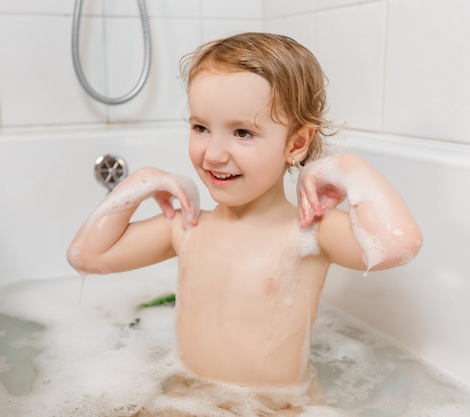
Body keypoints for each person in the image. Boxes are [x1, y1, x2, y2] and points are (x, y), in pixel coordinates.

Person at [67, 32, 423, 415]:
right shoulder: (187, 227)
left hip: (276, 407)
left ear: (296, 144)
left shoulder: (310, 231)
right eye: (200, 127)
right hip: (183, 398)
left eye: (242, 133)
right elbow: (87, 256)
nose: (214, 154)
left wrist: (348, 168)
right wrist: (139, 183)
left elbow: (399, 245)